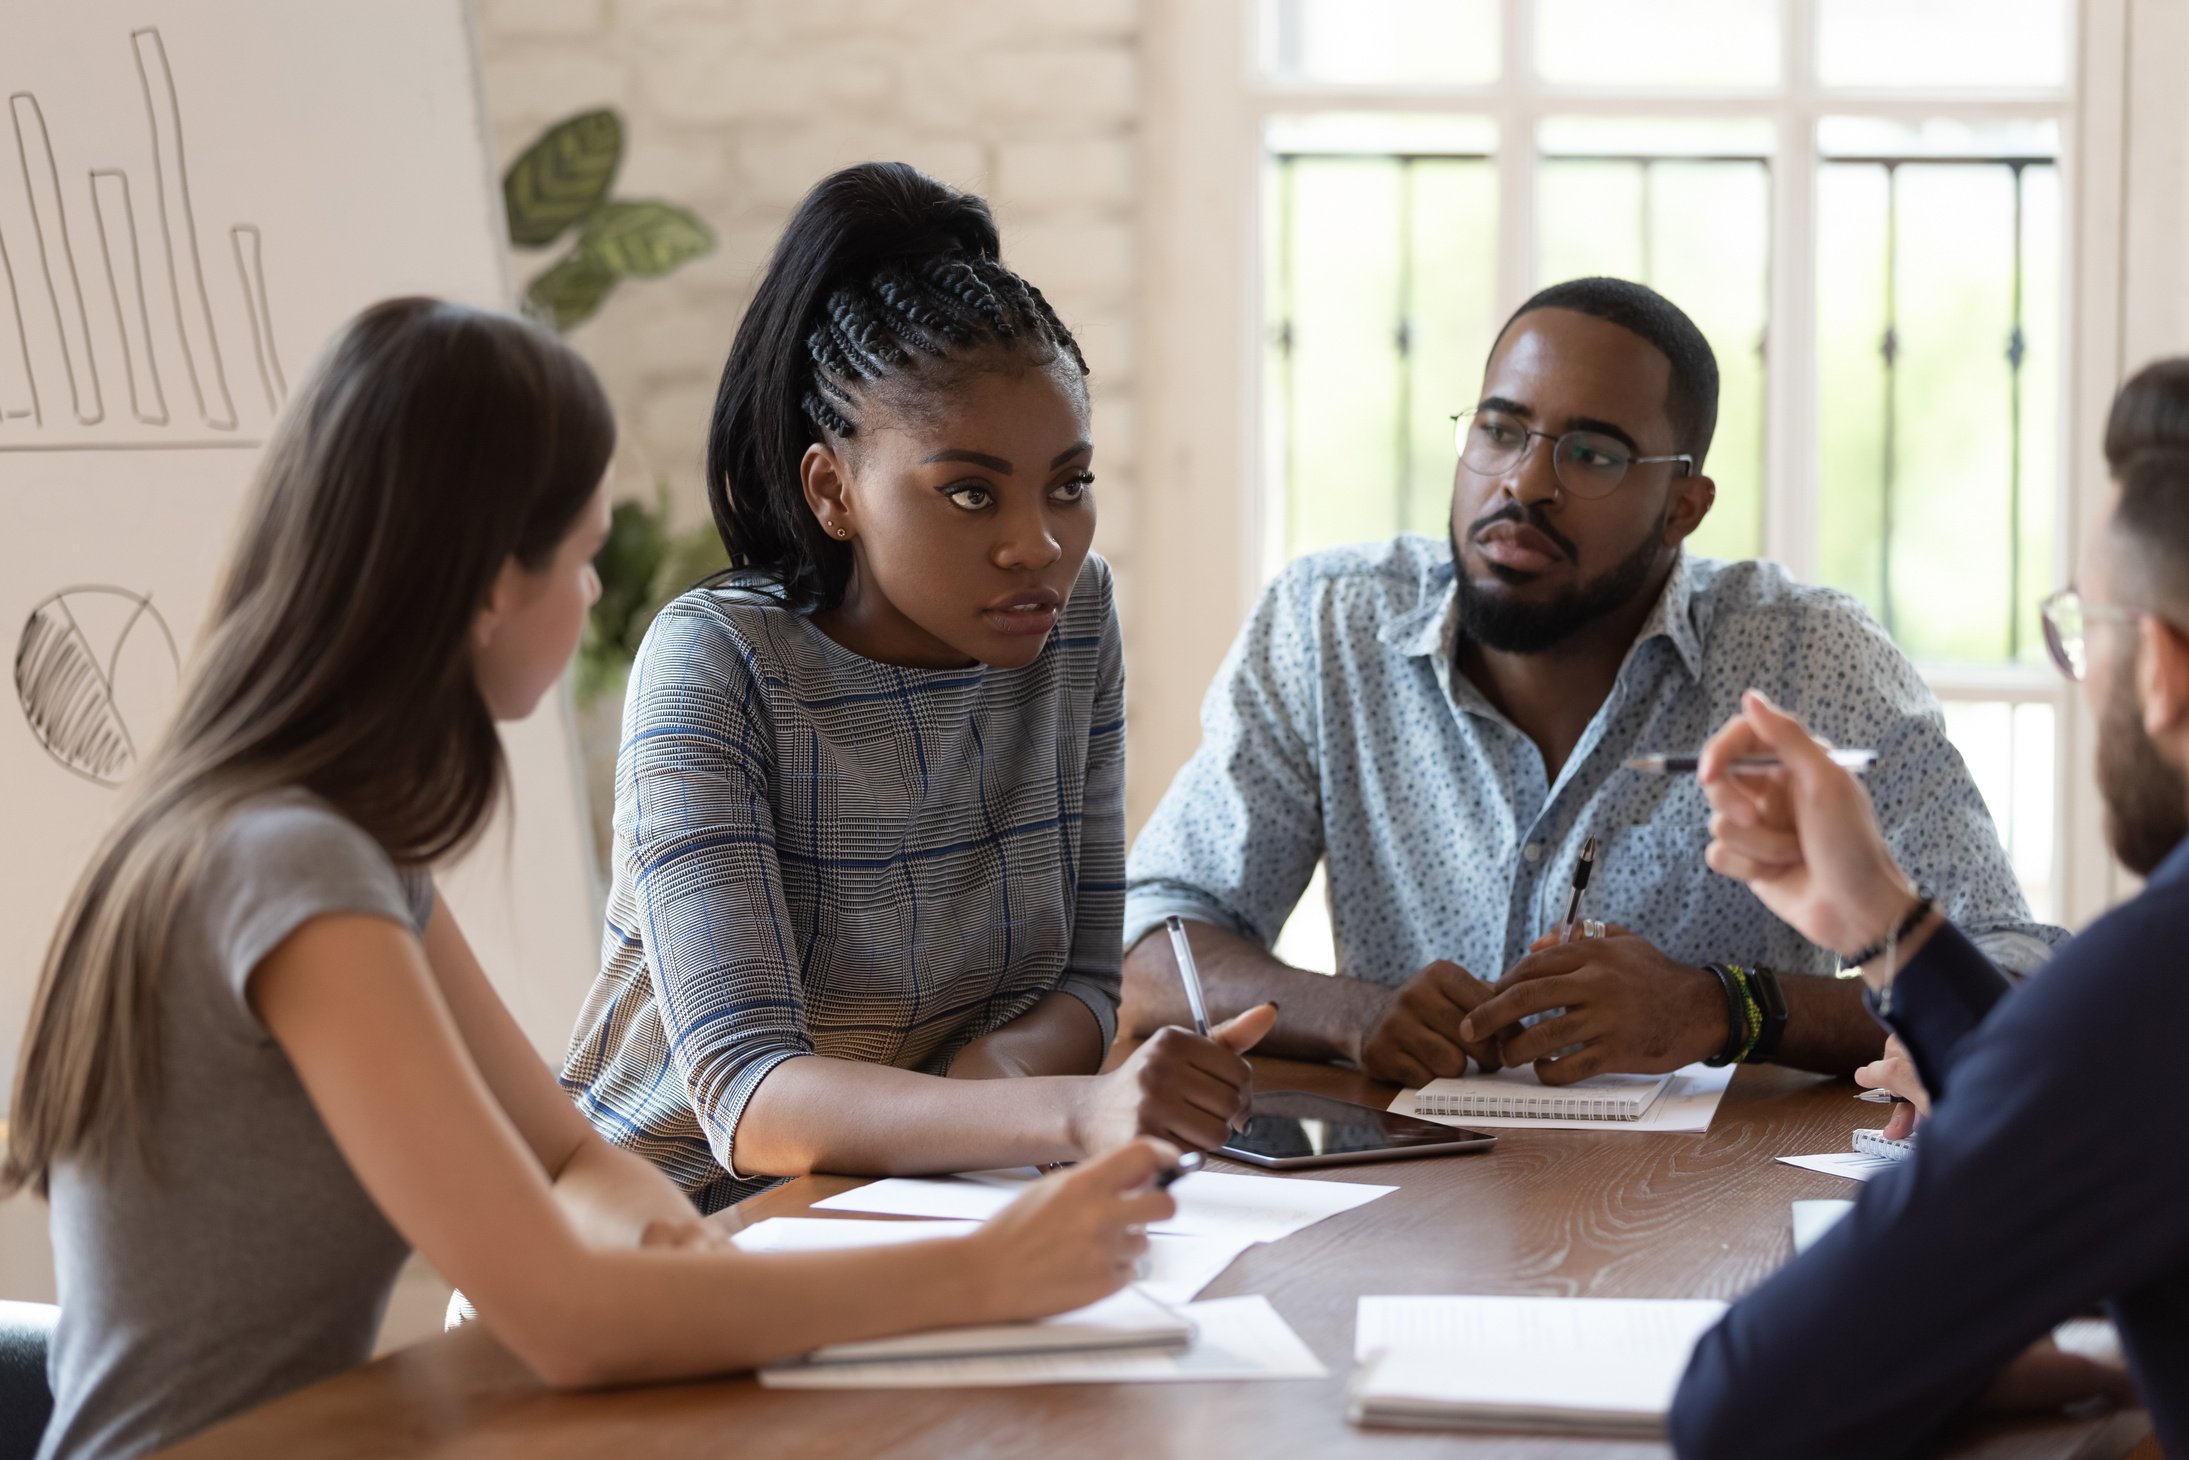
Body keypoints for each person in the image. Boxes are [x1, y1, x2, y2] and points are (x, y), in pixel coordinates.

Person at [2, 298, 1176, 1460]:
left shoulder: (340, 844)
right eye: (582, 558)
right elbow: (566, 1319)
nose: (597, 599)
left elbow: (565, 1153)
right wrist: (986, 1270)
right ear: (486, 587)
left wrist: (678, 1251)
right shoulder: (288, 865)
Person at [1122, 277, 2059, 1087]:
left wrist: (1726, 1009)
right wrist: (1353, 1015)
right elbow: (1150, 952)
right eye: (1500, 430)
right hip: (1407, 1209)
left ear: (1681, 509)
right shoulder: (1328, 625)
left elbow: (2011, 986)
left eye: (1594, 454)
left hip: (1700, 1225)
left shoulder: (1803, 660)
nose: (1524, 483)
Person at [559, 162, 1274, 1215]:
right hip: (671, 1222)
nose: (1037, 544)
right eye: (968, 492)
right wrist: (1071, 1111)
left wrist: (998, 1077)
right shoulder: (715, 658)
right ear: (830, 489)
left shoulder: (1074, 621)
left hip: (937, 1191)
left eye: (1068, 484)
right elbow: (746, 1098)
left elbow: (1083, 980)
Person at [1668, 363, 2189, 1456]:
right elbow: (2081, 1112)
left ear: (2160, 667)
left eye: (2083, 631)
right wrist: (1885, 925)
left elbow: (1739, 1408)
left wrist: (1954, 1353)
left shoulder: (2154, 983)